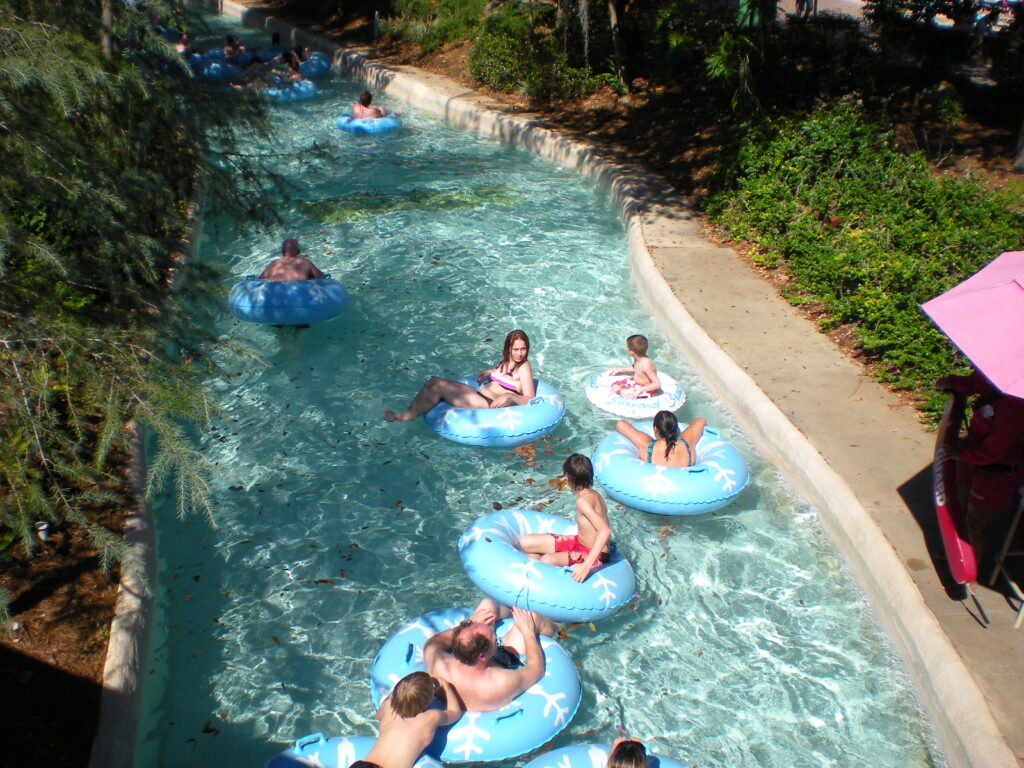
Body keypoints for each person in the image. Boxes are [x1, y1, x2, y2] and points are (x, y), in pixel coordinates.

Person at [936, 369, 1024, 577]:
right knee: (957, 504)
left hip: (996, 472)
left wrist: (959, 454)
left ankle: (969, 571)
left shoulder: (1014, 406)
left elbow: (995, 450)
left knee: (975, 523)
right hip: (971, 458)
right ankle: (955, 553)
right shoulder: (998, 375)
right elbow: (974, 383)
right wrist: (952, 382)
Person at [423, 597, 554, 712]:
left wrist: (472, 623)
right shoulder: (500, 682)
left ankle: (512, 613)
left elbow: (432, 643)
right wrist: (527, 631)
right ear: (482, 656)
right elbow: (536, 669)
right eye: (493, 637)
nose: (496, 636)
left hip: (477, 666)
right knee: (532, 618)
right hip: (504, 665)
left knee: (487, 605)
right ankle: (558, 628)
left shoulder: (440, 665)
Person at [384, 330, 534, 421]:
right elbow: (504, 379)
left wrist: (510, 397)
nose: (520, 353)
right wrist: (491, 373)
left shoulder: (524, 367)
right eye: (516, 349)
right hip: (480, 395)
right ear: (508, 348)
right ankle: (408, 413)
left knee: (437, 386)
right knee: (434, 381)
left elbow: (530, 398)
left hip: (489, 406)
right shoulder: (507, 360)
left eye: (523, 349)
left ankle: (403, 417)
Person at [519, 454, 612, 582]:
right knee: (526, 542)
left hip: (595, 554)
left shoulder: (583, 501)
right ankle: (532, 575)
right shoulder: (593, 494)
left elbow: (605, 530)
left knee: (547, 560)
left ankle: (534, 582)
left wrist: (586, 566)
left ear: (568, 478)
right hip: (579, 543)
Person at [352, 671, 462, 768]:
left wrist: (396, 697)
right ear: (428, 700)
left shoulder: (389, 706)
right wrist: (445, 686)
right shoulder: (430, 718)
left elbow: (378, 716)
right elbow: (455, 712)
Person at [615, 410, 706, 468]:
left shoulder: (647, 445)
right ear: (676, 428)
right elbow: (701, 421)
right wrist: (686, 425)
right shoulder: (687, 441)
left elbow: (620, 424)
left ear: (655, 429)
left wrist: (648, 439)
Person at [608, 335, 661, 400]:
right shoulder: (639, 358)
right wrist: (621, 369)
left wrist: (639, 390)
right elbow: (636, 368)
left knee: (619, 391)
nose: (626, 349)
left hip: (646, 388)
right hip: (636, 383)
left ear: (631, 352)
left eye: (627, 347)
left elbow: (657, 384)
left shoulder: (646, 364)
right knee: (614, 387)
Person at [258, 238, 324, 281]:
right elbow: (319, 277)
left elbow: (260, 279)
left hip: (278, 292)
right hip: (299, 291)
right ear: (298, 252)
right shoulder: (305, 262)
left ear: (283, 252)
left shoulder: (274, 264)